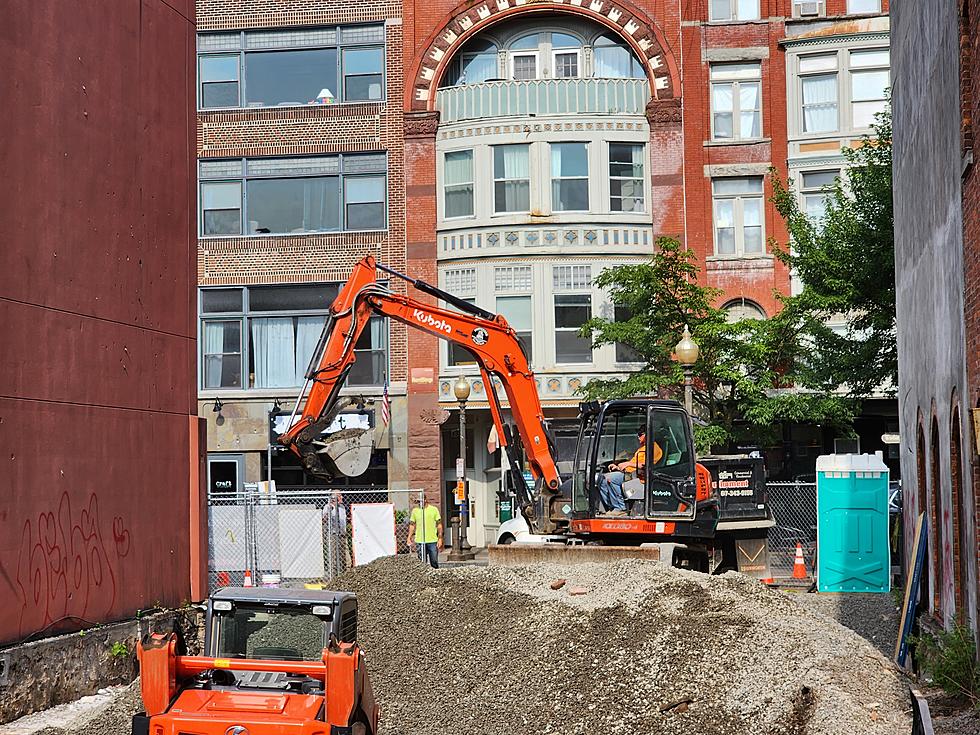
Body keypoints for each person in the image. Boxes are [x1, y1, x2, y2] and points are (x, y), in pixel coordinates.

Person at [598, 430, 663, 516]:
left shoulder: (653, 448)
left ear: (648, 434)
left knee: (611, 479)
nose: (638, 437)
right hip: (630, 473)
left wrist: (628, 463)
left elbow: (647, 465)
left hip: (639, 476)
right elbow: (633, 464)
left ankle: (620, 508)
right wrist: (618, 467)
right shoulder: (642, 448)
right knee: (601, 479)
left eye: (640, 435)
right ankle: (611, 507)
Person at [408, 494, 444, 568]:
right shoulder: (415, 511)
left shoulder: (434, 509)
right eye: (418, 501)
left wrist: (440, 538)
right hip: (420, 540)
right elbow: (412, 525)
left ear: (425, 499)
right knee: (422, 563)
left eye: (420, 500)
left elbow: (439, 525)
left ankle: (435, 576)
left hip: (432, 540)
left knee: (434, 562)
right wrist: (409, 537)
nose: (419, 503)